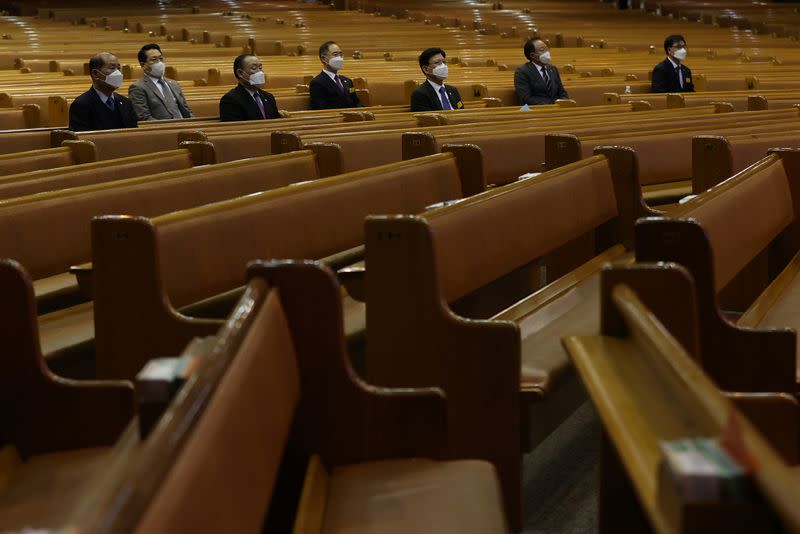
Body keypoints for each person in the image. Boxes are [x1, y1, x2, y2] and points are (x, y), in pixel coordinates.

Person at [68, 52, 138, 131]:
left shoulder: (125, 102)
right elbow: (81, 138)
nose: (118, 73)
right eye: (112, 68)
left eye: (118, 68)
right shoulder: (82, 104)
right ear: (95, 74)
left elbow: (134, 132)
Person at [128, 43, 192, 121]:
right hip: (164, 129)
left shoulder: (174, 84)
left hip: (186, 125)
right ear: (143, 64)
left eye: (161, 58)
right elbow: (144, 117)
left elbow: (186, 111)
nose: (159, 63)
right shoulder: (138, 87)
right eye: (154, 59)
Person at [219, 54, 280, 121]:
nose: (260, 72)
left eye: (260, 68)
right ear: (240, 73)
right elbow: (234, 128)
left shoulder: (269, 97)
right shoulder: (230, 100)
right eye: (254, 68)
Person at [514, 38, 569, 106]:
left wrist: (564, 102)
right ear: (532, 55)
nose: (547, 52)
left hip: (557, 106)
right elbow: (526, 98)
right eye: (542, 50)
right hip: (536, 109)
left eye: (546, 48)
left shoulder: (552, 69)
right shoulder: (522, 72)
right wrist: (550, 105)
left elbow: (562, 92)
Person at [309, 41, 362, 110]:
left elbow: (356, 102)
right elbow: (321, 108)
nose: (339, 58)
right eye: (335, 54)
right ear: (324, 59)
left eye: (340, 54)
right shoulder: (317, 83)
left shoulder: (347, 81)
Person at [410, 47, 464, 112]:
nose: (443, 66)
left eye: (444, 62)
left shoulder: (453, 90)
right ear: (426, 69)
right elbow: (427, 120)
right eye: (437, 62)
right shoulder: (420, 94)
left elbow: (461, 110)